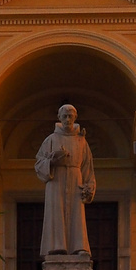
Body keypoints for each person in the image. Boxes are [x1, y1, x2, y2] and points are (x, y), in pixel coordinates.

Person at [35, 104, 95, 256]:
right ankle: (56, 246)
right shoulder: (50, 139)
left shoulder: (82, 141)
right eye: (65, 116)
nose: (68, 119)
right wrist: (52, 161)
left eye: (70, 116)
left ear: (75, 118)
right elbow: (39, 163)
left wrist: (89, 187)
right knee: (56, 211)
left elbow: (87, 166)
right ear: (59, 118)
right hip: (56, 180)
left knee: (77, 214)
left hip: (76, 180)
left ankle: (79, 247)